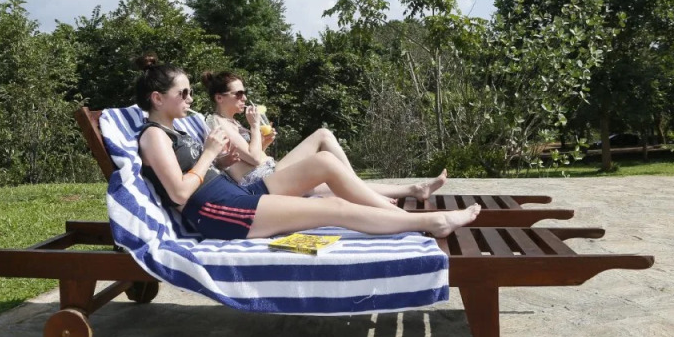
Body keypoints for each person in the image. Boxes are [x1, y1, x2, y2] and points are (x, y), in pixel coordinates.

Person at [134, 55, 479, 240]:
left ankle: (418, 219)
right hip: (218, 213)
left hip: (233, 196)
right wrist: (209, 153)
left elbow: (206, 172)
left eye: (190, 92)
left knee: (330, 188)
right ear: (157, 98)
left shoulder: (174, 130)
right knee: (333, 207)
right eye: (183, 93)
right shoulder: (154, 136)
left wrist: (222, 160)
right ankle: (431, 222)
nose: (190, 98)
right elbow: (179, 193)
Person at [200, 70, 447, 201]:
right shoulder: (218, 124)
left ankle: (416, 189)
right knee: (327, 149)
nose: (244, 98)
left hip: (270, 172)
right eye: (238, 94)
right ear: (219, 98)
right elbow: (253, 159)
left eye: (244, 92)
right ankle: (399, 192)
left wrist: (263, 141)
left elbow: (252, 156)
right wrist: (255, 127)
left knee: (330, 156)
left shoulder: (232, 122)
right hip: (260, 184)